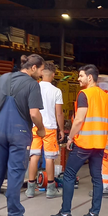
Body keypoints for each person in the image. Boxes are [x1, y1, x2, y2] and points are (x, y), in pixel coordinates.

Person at [0, 54, 45, 216]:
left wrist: (4, 120)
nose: (41, 74)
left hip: (0, 131)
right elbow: (34, 114)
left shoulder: (2, 78)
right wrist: (41, 128)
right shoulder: (33, 85)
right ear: (33, 68)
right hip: (19, 133)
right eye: (40, 70)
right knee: (15, 174)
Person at [50, 64, 108, 216]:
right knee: (97, 178)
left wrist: (70, 138)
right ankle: (94, 214)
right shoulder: (106, 97)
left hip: (84, 143)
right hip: (99, 144)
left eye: (81, 76)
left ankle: (65, 214)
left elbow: (79, 119)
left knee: (69, 175)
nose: (78, 79)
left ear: (89, 78)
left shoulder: (84, 94)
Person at [25, 61, 65, 199]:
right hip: (49, 128)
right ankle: (50, 188)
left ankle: (30, 189)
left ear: (41, 73)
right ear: (53, 75)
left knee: (34, 156)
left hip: (35, 126)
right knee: (49, 158)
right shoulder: (56, 91)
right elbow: (59, 113)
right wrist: (61, 129)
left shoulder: (33, 87)